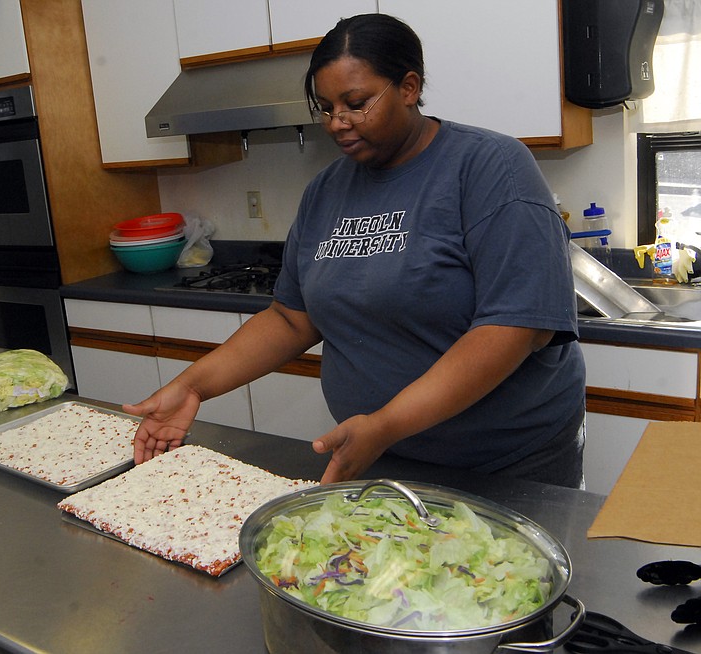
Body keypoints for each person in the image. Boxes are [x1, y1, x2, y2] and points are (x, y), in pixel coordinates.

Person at [123, 13, 586, 489]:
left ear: (409, 87)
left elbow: (513, 327)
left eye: (356, 103)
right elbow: (291, 318)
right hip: (379, 454)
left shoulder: (491, 167)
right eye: (325, 108)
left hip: (505, 465)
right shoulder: (326, 191)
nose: (337, 123)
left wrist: (386, 423)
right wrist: (193, 386)